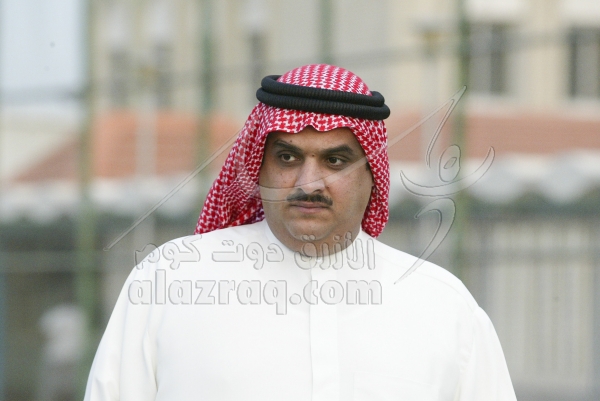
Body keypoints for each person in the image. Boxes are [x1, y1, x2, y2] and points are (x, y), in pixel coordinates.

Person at [84, 64, 517, 400]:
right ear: (258, 167)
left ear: (373, 175)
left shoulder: (442, 306)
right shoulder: (170, 280)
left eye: (335, 161)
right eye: (288, 158)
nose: (309, 184)